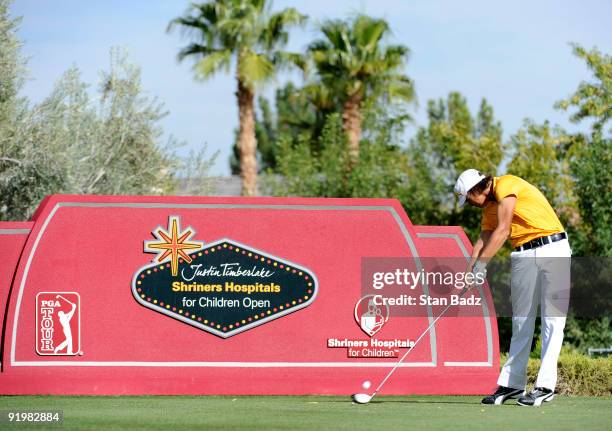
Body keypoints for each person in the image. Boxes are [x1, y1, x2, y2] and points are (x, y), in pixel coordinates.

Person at [455, 169, 571, 407]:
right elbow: (484, 238)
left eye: (468, 199)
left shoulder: (506, 184)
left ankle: (545, 386)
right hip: (522, 255)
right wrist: (469, 272)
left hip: (553, 248)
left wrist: (482, 267)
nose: (469, 203)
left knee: (552, 320)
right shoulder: (489, 207)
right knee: (521, 321)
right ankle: (512, 384)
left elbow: (503, 229)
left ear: (476, 189)